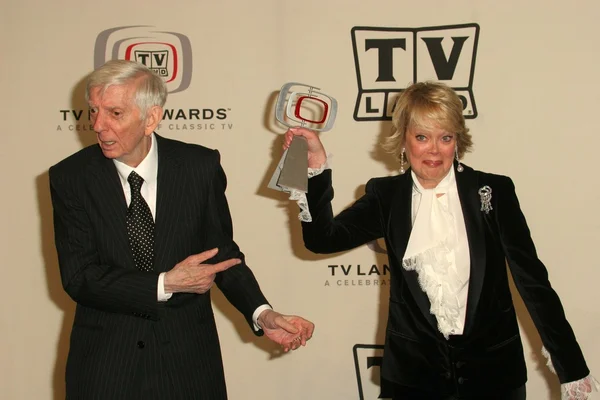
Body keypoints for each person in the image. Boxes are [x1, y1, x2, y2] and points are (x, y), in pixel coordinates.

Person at [283, 81, 597, 399]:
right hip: (412, 380)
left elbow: (533, 284)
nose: (434, 149)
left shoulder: (492, 192)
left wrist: (572, 369)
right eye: (422, 137)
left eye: (445, 137)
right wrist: (314, 169)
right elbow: (321, 240)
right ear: (403, 140)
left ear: (457, 140)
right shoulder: (386, 196)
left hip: (495, 379)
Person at [49, 59, 314, 400]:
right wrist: (165, 283)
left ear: (152, 118)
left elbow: (222, 255)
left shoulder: (199, 167)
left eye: (115, 113)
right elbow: (79, 276)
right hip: (105, 367)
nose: (98, 125)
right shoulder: (71, 177)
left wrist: (262, 313)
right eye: (94, 111)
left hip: (188, 366)